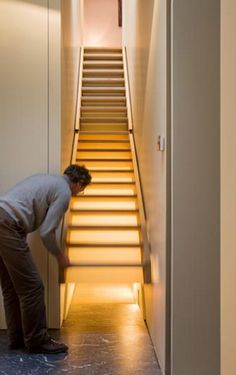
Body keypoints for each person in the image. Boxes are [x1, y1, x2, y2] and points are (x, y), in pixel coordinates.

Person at [0, 164, 91, 354]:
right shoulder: (63, 191)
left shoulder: (48, 180)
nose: (78, 194)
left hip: (3, 219)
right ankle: (37, 341)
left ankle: (17, 338)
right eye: (82, 190)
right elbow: (47, 232)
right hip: (7, 225)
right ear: (78, 183)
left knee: (11, 287)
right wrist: (60, 256)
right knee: (33, 287)